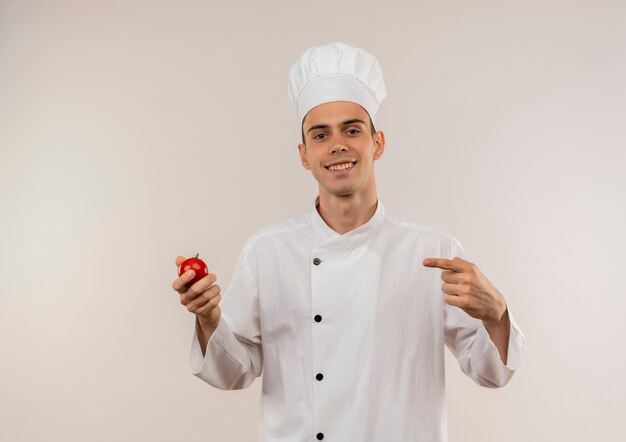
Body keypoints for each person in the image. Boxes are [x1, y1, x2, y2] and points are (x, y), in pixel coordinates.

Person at [171, 42, 525, 442]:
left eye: (352, 129)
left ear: (378, 142)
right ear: (304, 155)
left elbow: (490, 372)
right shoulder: (268, 250)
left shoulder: (434, 252)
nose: (337, 144)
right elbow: (233, 372)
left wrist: (497, 314)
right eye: (321, 135)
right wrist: (209, 320)